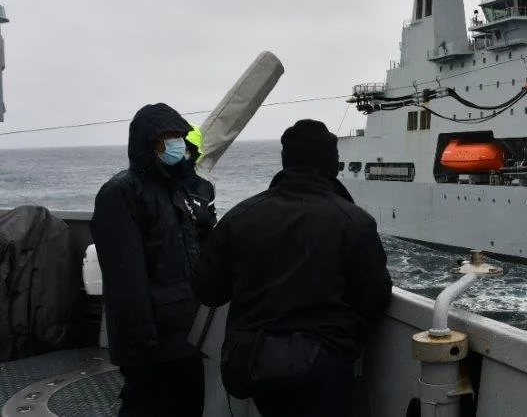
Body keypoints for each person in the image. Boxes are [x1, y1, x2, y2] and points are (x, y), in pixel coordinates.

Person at [193, 119, 392, 417]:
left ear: (285, 161)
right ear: (332, 164)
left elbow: (209, 291)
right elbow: (374, 297)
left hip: (254, 364)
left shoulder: (239, 217)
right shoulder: (354, 221)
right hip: (325, 366)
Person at [90, 103, 208, 417]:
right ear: (148, 144)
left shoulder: (177, 189)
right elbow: (125, 275)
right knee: (145, 406)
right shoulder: (121, 193)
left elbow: (190, 252)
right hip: (151, 339)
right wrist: (144, 336)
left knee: (189, 404)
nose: (177, 144)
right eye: (167, 137)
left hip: (184, 332)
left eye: (178, 136)